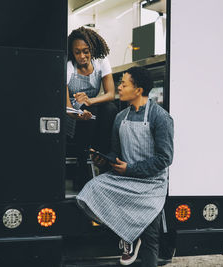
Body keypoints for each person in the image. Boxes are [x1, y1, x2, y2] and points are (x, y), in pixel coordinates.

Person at [76, 66, 174, 266]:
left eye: (123, 84)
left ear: (138, 90)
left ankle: (132, 236)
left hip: (151, 185)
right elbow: (116, 153)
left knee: (151, 240)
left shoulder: (161, 117)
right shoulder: (120, 117)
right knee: (88, 193)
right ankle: (128, 233)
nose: (118, 88)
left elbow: (165, 159)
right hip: (124, 179)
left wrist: (131, 169)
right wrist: (105, 160)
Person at [65, 26, 118, 190]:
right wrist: (78, 113)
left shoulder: (101, 61)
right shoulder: (68, 66)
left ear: (92, 49)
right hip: (73, 113)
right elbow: (66, 106)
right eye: (77, 52)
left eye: (86, 51)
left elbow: (110, 94)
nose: (82, 56)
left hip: (93, 107)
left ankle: (102, 159)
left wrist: (90, 101)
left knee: (110, 108)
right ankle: (82, 167)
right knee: (88, 111)